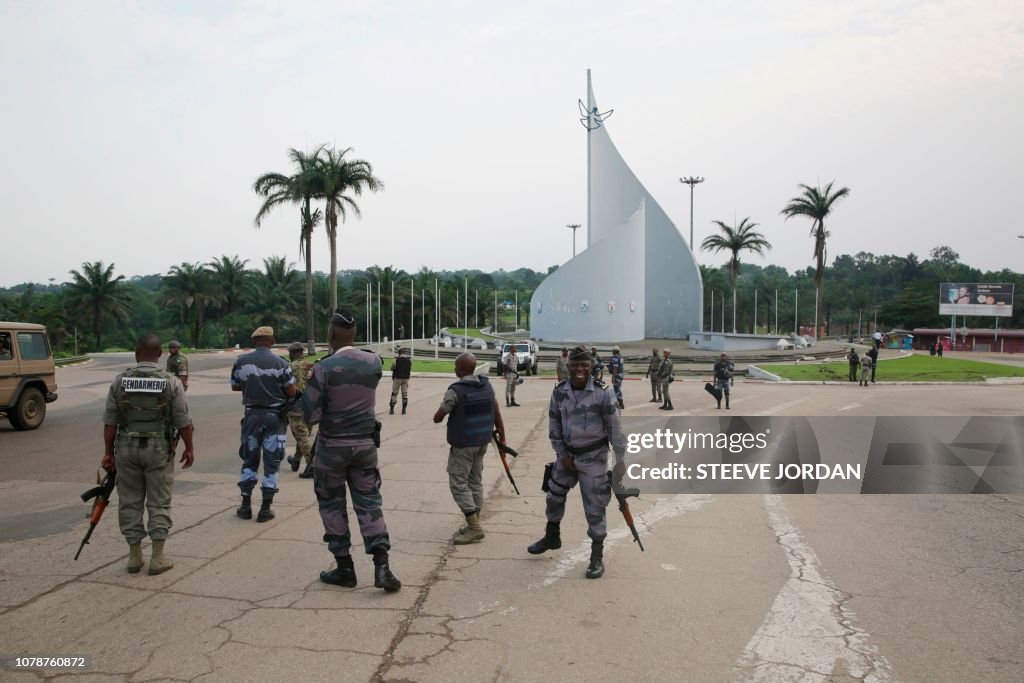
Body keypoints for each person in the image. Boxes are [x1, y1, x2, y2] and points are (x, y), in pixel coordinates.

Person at [302, 310, 401, 592]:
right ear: (354, 335)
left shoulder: (323, 368)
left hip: (332, 448)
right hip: (365, 447)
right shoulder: (372, 362)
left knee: (332, 505)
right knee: (370, 503)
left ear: (332, 334)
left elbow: (310, 415)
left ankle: (345, 569)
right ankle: (382, 568)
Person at [527, 346, 626, 580]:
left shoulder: (603, 393)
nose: (580, 369)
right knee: (553, 494)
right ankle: (552, 536)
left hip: (593, 458)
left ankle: (596, 557)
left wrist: (620, 460)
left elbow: (615, 428)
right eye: (575, 365)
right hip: (567, 456)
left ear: (591, 367)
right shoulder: (560, 391)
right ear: (568, 366)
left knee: (594, 506)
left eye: (585, 365)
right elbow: (554, 424)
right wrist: (562, 455)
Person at [101, 333, 194, 574]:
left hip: (126, 447)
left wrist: (108, 453)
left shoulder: (120, 381)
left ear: (136, 352)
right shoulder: (170, 381)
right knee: (159, 501)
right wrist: (189, 448)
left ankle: (134, 557)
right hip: (158, 448)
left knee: (129, 501)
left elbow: (110, 422)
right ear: (160, 354)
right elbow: (183, 421)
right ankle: (158, 557)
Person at [432, 351, 507, 545]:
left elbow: (438, 417)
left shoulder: (456, 390)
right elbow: (496, 411)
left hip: (463, 445)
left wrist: (443, 413)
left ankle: (474, 528)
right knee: (475, 482)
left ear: (462, 369)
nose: (454, 369)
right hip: (482, 442)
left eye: (456, 366)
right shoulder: (487, 386)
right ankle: (475, 522)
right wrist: (503, 436)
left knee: (458, 483)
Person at [230, 326, 296, 523]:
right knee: (272, 462)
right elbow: (291, 391)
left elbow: (235, 385)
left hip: (251, 416)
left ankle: (245, 506)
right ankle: (265, 508)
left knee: (249, 459)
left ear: (254, 341)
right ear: (272, 341)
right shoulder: (280, 363)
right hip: (274, 418)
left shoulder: (241, 361)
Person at [285, 342, 316, 479]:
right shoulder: (312, 366)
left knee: (301, 435)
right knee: (304, 434)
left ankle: (313, 465)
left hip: (296, 404)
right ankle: (296, 459)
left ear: (291, 354)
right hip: (311, 404)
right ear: (302, 352)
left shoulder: (289, 367)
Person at [389, 347, 412, 415]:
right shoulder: (409, 360)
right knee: (404, 394)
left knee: (394, 393)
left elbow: (392, 368)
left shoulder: (396, 360)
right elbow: (409, 368)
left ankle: (392, 410)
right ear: (404, 353)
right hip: (406, 379)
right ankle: (403, 410)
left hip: (397, 378)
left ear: (399, 353)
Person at [609, 345, 625, 410]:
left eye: (613, 351)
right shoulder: (621, 357)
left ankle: (620, 403)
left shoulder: (615, 358)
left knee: (616, 389)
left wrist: (613, 377)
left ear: (615, 351)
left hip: (617, 375)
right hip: (621, 374)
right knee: (618, 388)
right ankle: (619, 403)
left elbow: (615, 368)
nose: (612, 352)